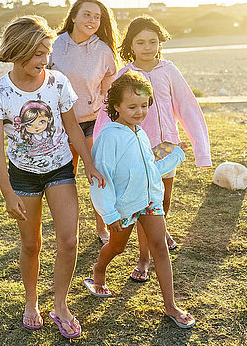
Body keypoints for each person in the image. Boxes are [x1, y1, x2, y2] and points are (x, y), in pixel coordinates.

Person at [0, 15, 105, 339]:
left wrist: (89, 164)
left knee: (69, 239)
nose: (44, 60)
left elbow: (73, 127)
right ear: (18, 51)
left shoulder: (57, 83)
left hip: (60, 168)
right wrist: (8, 193)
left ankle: (60, 305)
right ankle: (32, 302)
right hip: (23, 177)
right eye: (37, 53)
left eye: (46, 52)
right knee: (32, 244)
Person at [94, 16, 212, 283]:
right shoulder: (124, 76)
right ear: (130, 45)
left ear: (160, 43)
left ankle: (158, 236)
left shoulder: (169, 70)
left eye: (153, 41)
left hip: (166, 149)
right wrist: (99, 156)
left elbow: (188, 106)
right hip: (134, 154)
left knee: (162, 202)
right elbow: (106, 115)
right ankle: (144, 259)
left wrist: (200, 149)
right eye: (140, 42)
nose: (147, 47)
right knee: (141, 205)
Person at [83, 71, 195, 328]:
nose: (140, 112)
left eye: (144, 105)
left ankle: (170, 306)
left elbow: (150, 171)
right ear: (116, 106)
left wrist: (176, 155)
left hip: (150, 201)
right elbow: (102, 180)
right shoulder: (109, 137)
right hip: (123, 206)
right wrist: (109, 214)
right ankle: (99, 271)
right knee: (117, 247)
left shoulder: (141, 134)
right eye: (132, 106)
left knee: (160, 248)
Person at [48, 0, 119, 245]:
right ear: (74, 16)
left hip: (92, 121)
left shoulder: (103, 51)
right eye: (87, 14)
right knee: (66, 178)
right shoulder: (54, 46)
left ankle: (102, 225)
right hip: (58, 124)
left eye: (97, 17)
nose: (92, 20)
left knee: (97, 175)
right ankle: (67, 230)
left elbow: (110, 91)